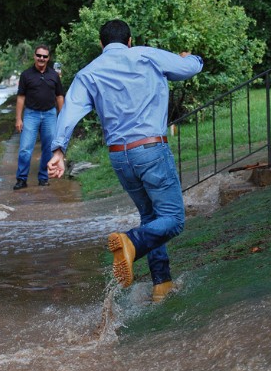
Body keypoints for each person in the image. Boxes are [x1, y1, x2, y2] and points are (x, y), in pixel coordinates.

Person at [46, 19, 203, 302]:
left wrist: (59, 151)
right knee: (174, 219)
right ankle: (131, 242)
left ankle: (162, 283)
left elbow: (69, 111)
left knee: (151, 217)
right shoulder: (147, 55)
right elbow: (190, 68)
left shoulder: (89, 72)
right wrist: (190, 58)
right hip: (151, 150)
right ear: (129, 40)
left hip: (120, 157)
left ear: (102, 44)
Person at [14, 44, 64, 190]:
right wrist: (18, 118)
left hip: (50, 114)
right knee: (25, 148)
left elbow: (59, 96)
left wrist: (62, 117)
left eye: (45, 56)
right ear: (34, 56)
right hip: (31, 114)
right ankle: (21, 179)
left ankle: (43, 177)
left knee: (49, 149)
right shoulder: (26, 75)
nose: (41, 58)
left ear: (48, 58)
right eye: (39, 55)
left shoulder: (54, 75)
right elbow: (21, 97)